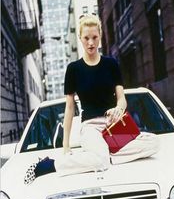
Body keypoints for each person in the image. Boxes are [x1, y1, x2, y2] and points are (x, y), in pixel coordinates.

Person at [24, 14, 159, 183]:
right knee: (101, 161)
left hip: (114, 125)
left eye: (95, 37)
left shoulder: (111, 64)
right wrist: (65, 146)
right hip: (90, 128)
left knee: (154, 143)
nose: (91, 43)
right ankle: (50, 164)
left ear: (100, 37)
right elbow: (70, 108)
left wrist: (118, 109)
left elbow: (122, 99)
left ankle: (105, 153)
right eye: (86, 38)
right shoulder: (73, 69)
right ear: (80, 38)